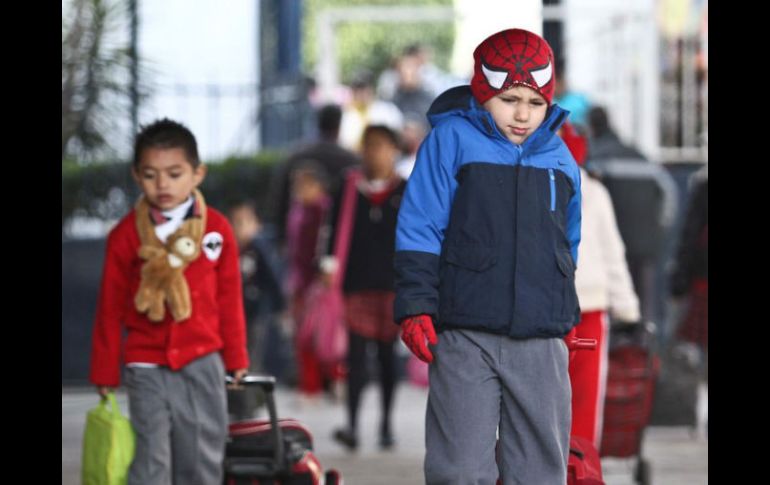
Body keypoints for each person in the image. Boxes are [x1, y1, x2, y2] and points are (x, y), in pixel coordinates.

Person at [394, 29, 582, 483]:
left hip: (541, 338)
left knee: (540, 470)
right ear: (483, 92)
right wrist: (417, 306)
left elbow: (568, 244)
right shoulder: (450, 141)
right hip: (464, 334)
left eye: (536, 103)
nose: (522, 114)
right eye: (509, 99)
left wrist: (562, 313)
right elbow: (421, 226)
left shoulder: (560, 157)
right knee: (458, 469)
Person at [89, 118, 249, 485]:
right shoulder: (126, 236)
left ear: (197, 174)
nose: (162, 185)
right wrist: (104, 370)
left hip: (203, 358)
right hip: (145, 363)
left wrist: (237, 357)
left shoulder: (217, 230)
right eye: (150, 175)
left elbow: (229, 298)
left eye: (174, 173)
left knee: (201, 456)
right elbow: (110, 307)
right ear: (136, 175)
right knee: (150, 459)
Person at [560, 121, 640, 448]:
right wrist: (628, 309)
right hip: (589, 307)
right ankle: (580, 469)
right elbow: (613, 254)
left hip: (543, 310)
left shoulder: (525, 185)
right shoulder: (593, 191)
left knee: (536, 400)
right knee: (584, 400)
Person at [327, 124, 408, 451]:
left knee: (388, 359)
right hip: (355, 285)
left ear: (395, 151)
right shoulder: (347, 188)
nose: (374, 152)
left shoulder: (406, 190)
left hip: (392, 285)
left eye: (381, 146)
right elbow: (332, 230)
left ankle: (386, 425)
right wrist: (328, 266)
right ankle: (352, 425)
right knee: (356, 360)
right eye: (369, 145)